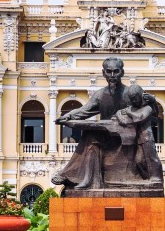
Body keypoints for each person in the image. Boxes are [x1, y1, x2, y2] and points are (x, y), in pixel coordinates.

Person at [51, 57, 130, 190]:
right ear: (103, 73)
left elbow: (144, 112)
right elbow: (85, 110)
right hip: (107, 136)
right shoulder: (100, 94)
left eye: (116, 72)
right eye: (108, 72)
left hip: (126, 138)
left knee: (92, 136)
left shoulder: (129, 93)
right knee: (91, 137)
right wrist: (68, 116)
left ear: (122, 72)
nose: (112, 76)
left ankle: (71, 175)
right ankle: (87, 180)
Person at [113, 84, 163, 183]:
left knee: (152, 158)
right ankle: (146, 178)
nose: (134, 101)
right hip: (136, 138)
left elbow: (139, 117)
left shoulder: (148, 108)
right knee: (139, 161)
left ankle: (156, 178)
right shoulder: (132, 108)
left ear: (140, 96)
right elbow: (118, 113)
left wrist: (129, 113)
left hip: (146, 137)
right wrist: (121, 116)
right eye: (132, 99)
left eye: (135, 98)